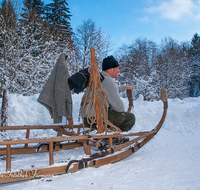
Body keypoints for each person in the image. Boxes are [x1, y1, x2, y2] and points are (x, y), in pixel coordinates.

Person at [101, 55, 135, 132]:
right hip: (99, 118)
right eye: (117, 68)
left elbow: (108, 91)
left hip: (89, 117)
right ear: (110, 70)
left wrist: (124, 87)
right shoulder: (109, 82)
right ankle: (115, 136)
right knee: (130, 118)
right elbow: (119, 108)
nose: (119, 71)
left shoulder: (100, 78)